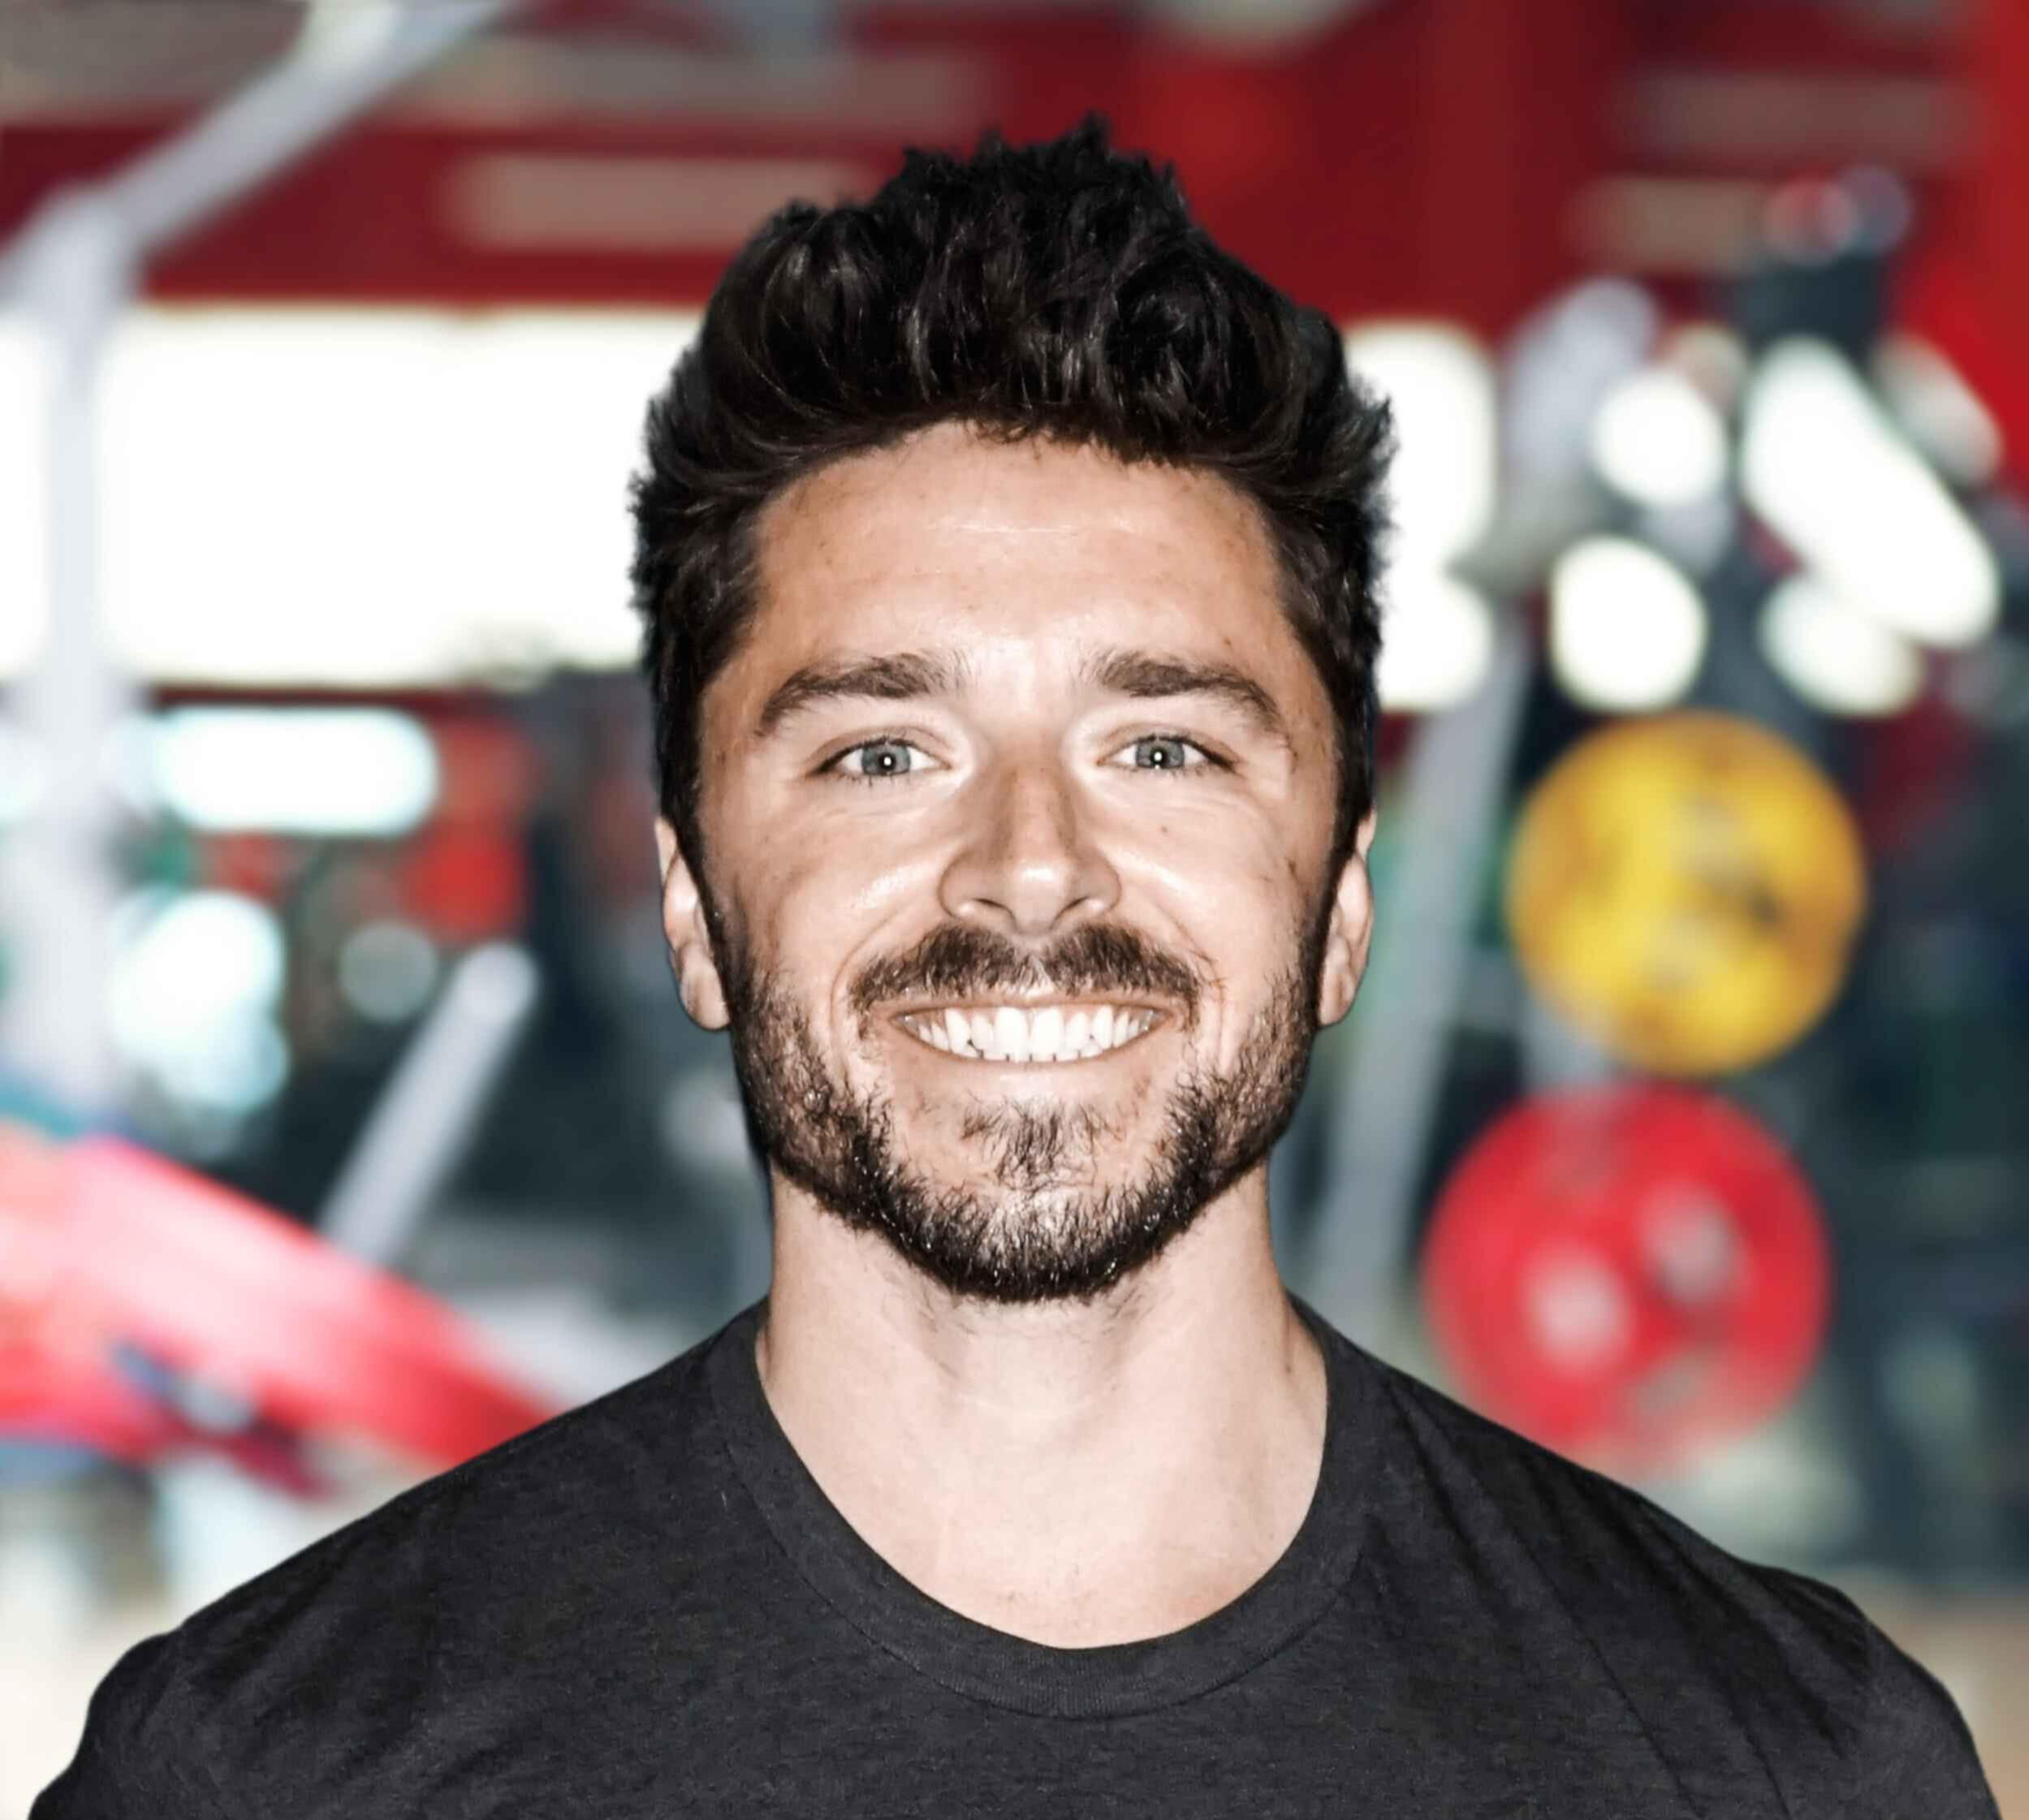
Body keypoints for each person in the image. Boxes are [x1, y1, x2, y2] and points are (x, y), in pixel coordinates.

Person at [37, 119, 1997, 1818]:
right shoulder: (273, 1771)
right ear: (692, 905)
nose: (1032, 867)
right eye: (881, 752)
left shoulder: (1778, 1766)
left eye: (1164, 746)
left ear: (1339, 903)